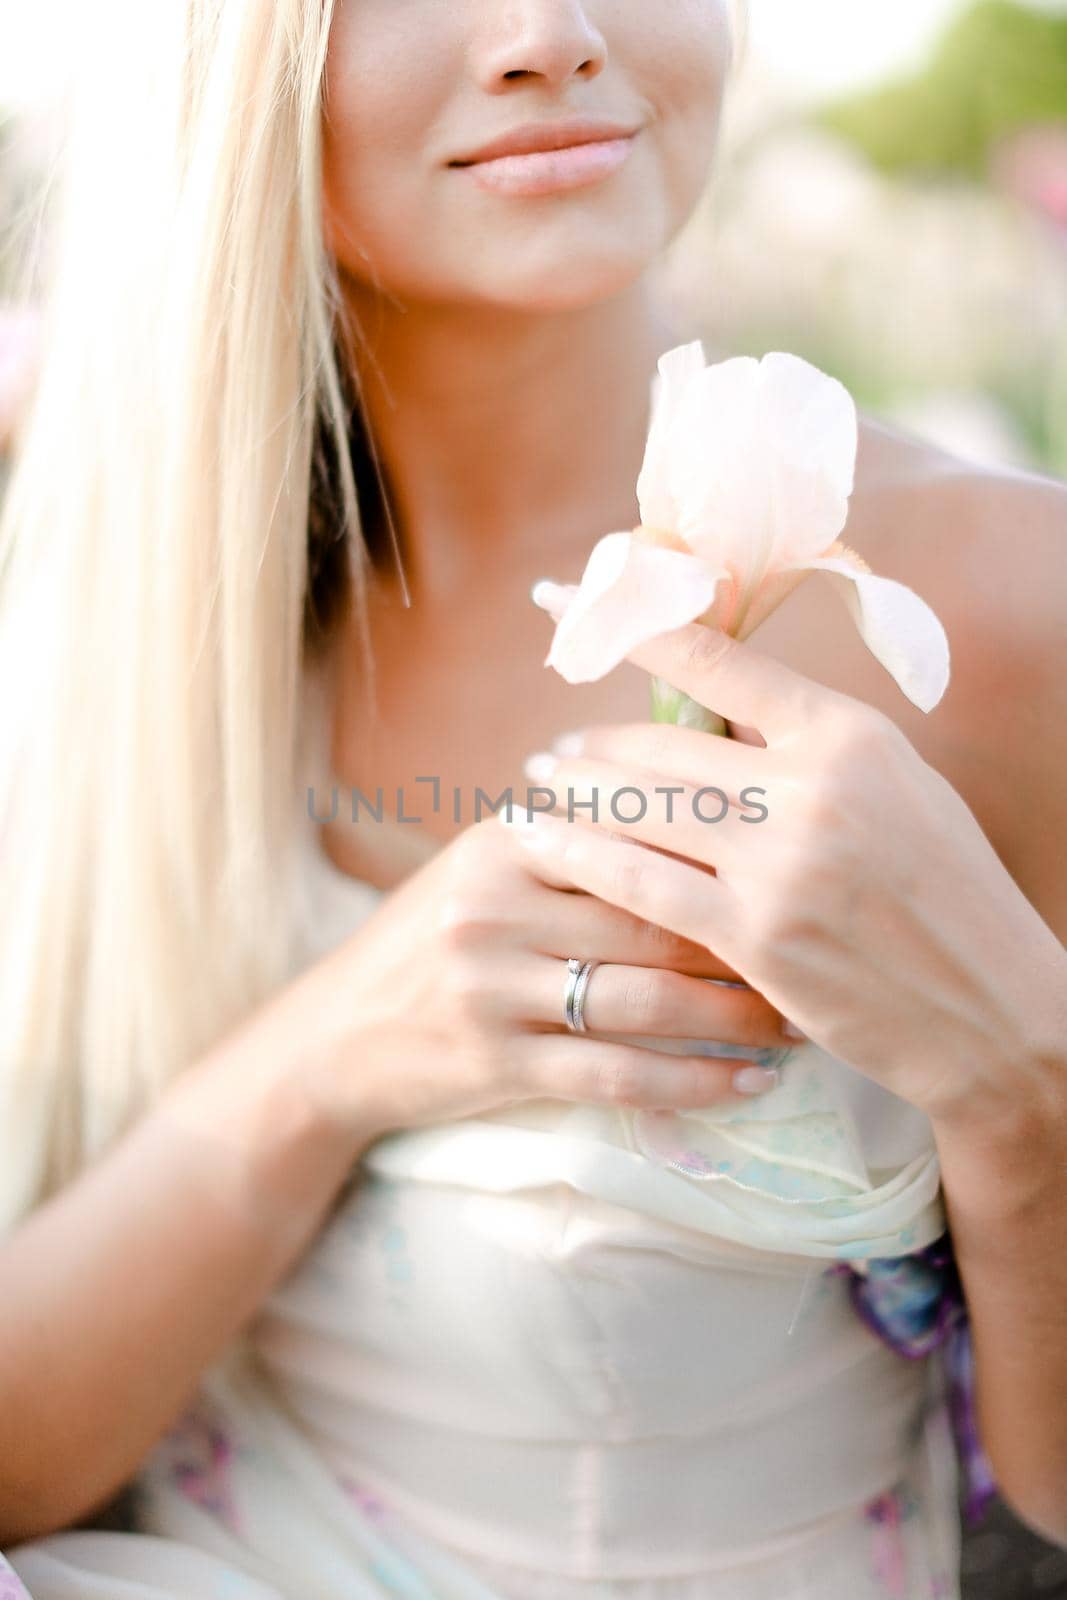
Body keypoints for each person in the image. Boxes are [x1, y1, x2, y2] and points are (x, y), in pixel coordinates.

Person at [0, 1, 1065, 1596]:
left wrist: (1024, 1084)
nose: (548, 34)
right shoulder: (119, 584)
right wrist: (328, 1052)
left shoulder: (1001, 605)